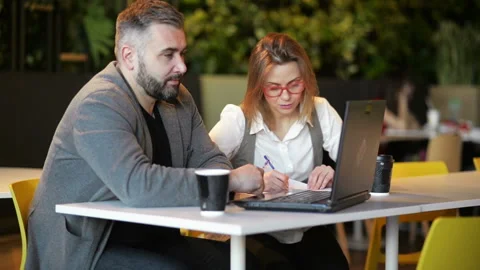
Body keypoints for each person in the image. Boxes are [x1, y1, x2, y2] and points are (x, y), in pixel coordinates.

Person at [26, 1, 264, 269]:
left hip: (157, 237)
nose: (182, 66)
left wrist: (223, 179)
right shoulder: (99, 104)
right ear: (129, 56)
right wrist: (230, 181)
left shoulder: (177, 98)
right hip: (91, 249)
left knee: (247, 263)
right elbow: (139, 186)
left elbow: (211, 159)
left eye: (182, 53)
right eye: (168, 55)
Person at [209, 33, 349, 270]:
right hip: (254, 231)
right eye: (274, 88)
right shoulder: (238, 120)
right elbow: (200, 169)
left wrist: (336, 173)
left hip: (307, 229)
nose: (286, 96)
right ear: (258, 87)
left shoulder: (320, 109)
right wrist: (247, 181)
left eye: (295, 84)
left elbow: (359, 165)